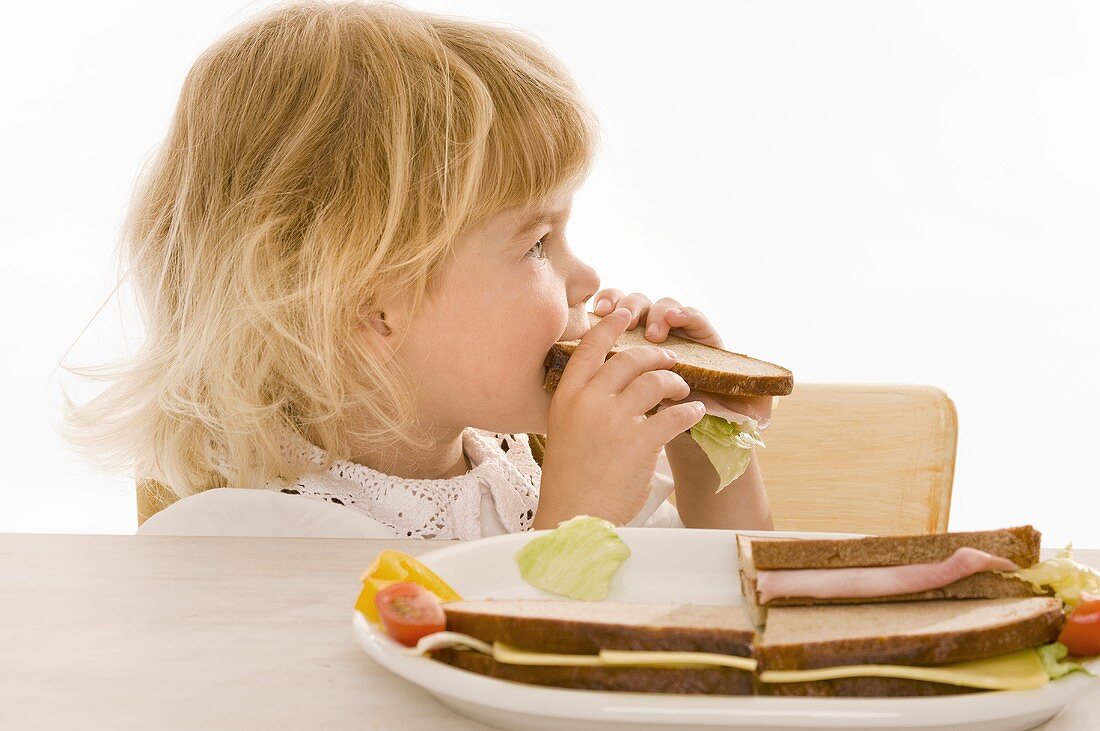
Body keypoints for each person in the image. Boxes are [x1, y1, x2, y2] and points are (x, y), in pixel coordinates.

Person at [61, 0, 774, 539]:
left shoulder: (523, 459)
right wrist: (576, 519)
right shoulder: (260, 530)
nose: (585, 277)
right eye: (536, 244)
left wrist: (701, 448)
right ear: (373, 307)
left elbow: (724, 612)